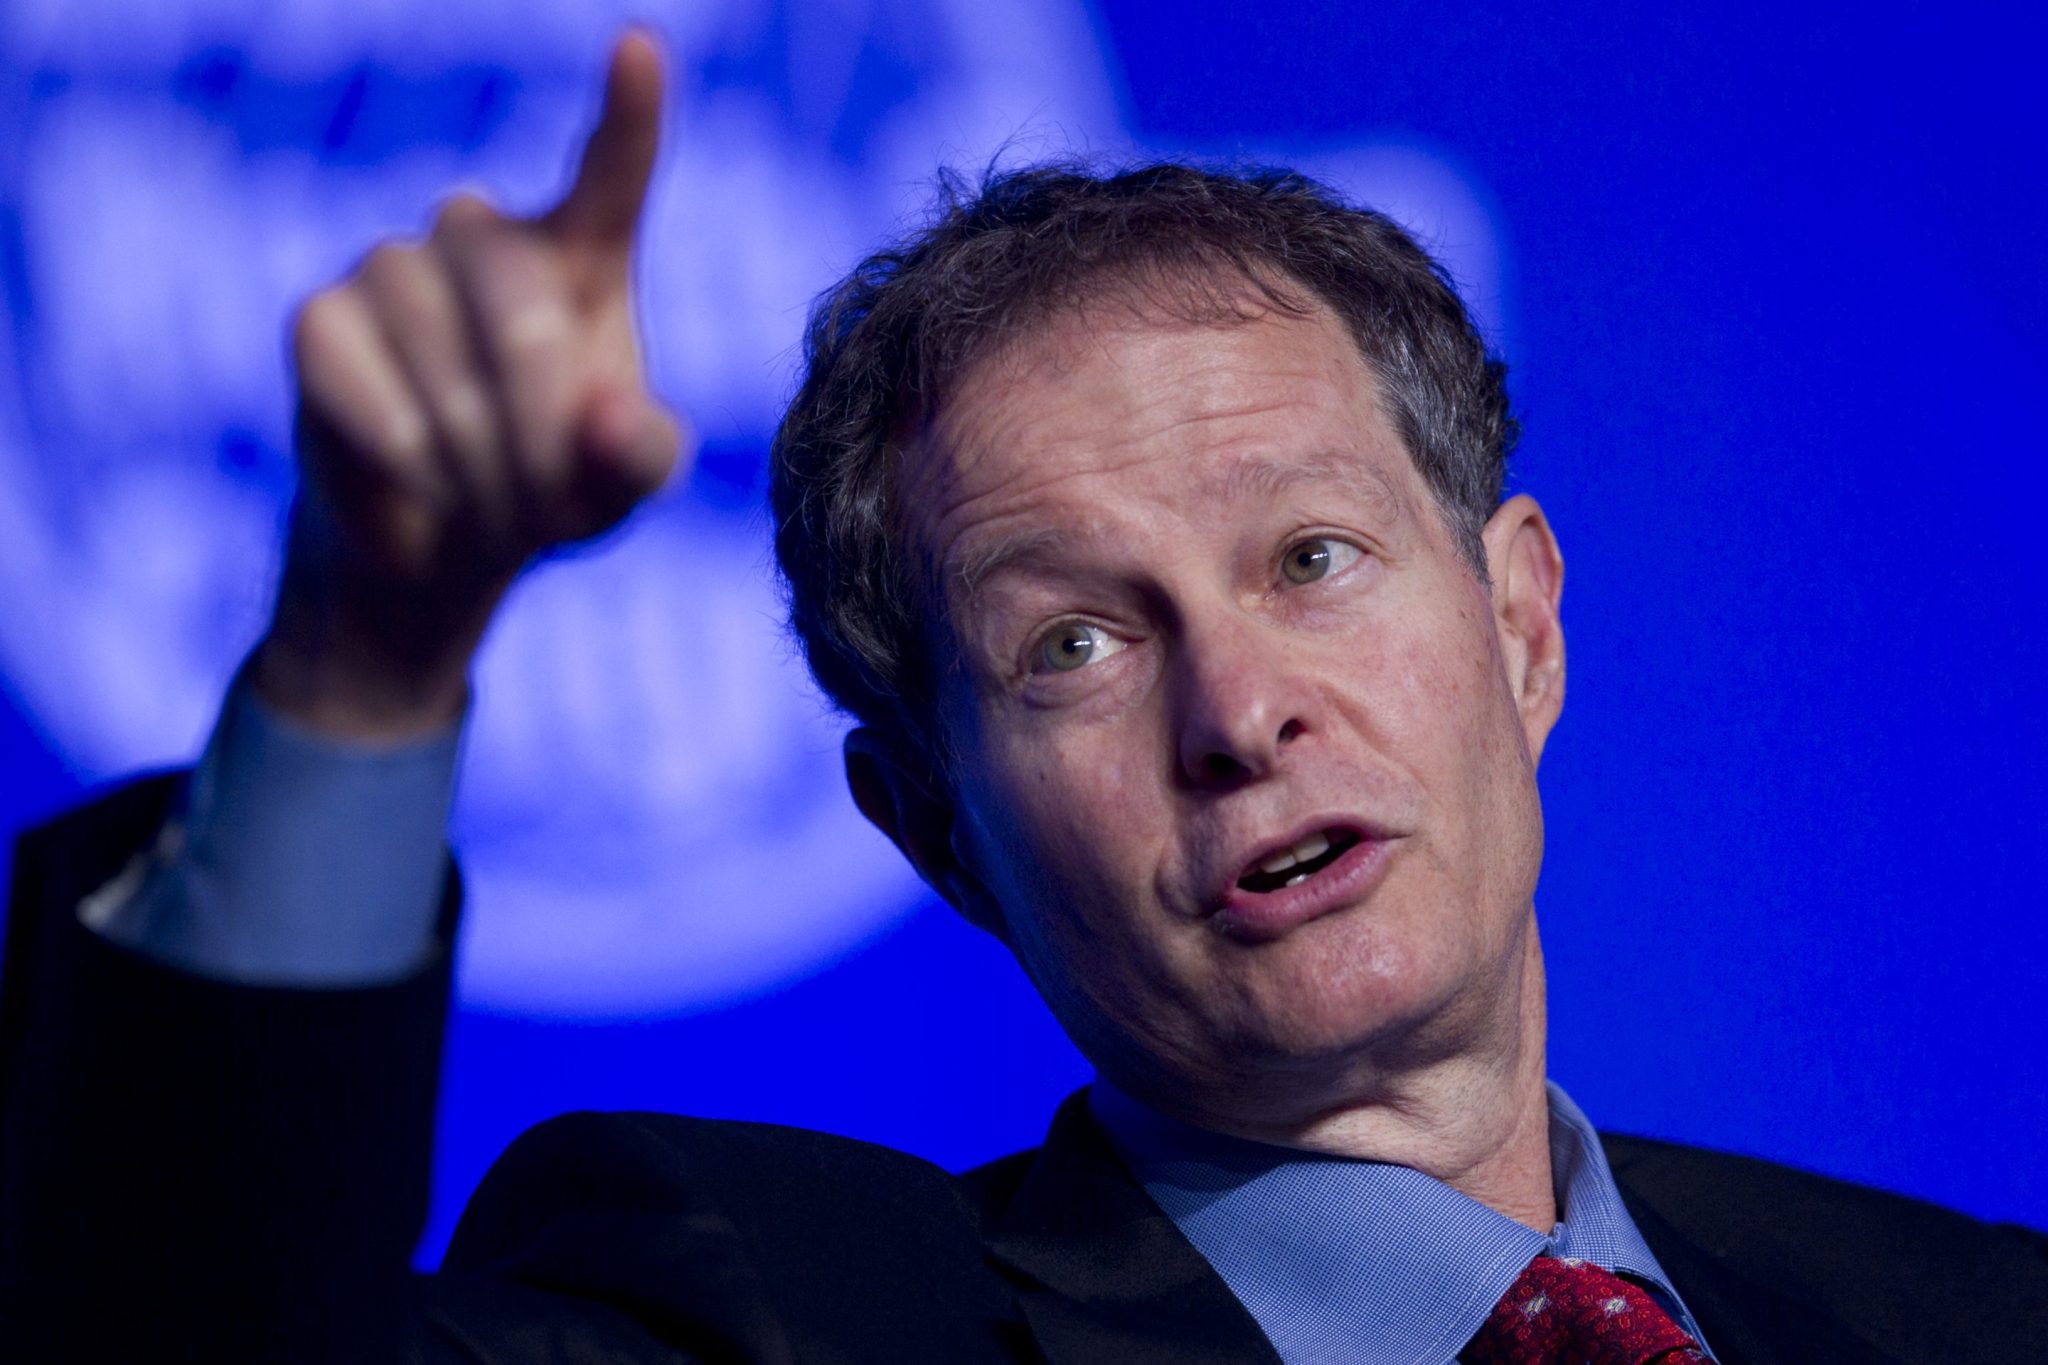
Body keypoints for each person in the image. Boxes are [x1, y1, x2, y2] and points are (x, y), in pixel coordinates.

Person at [1, 30, 2040, 1365]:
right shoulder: (763, 1312)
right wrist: (364, 653)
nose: (1238, 707)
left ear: (1521, 625)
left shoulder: (1969, 1311)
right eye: (1072, 642)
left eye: (1311, 558)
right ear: (932, 827)